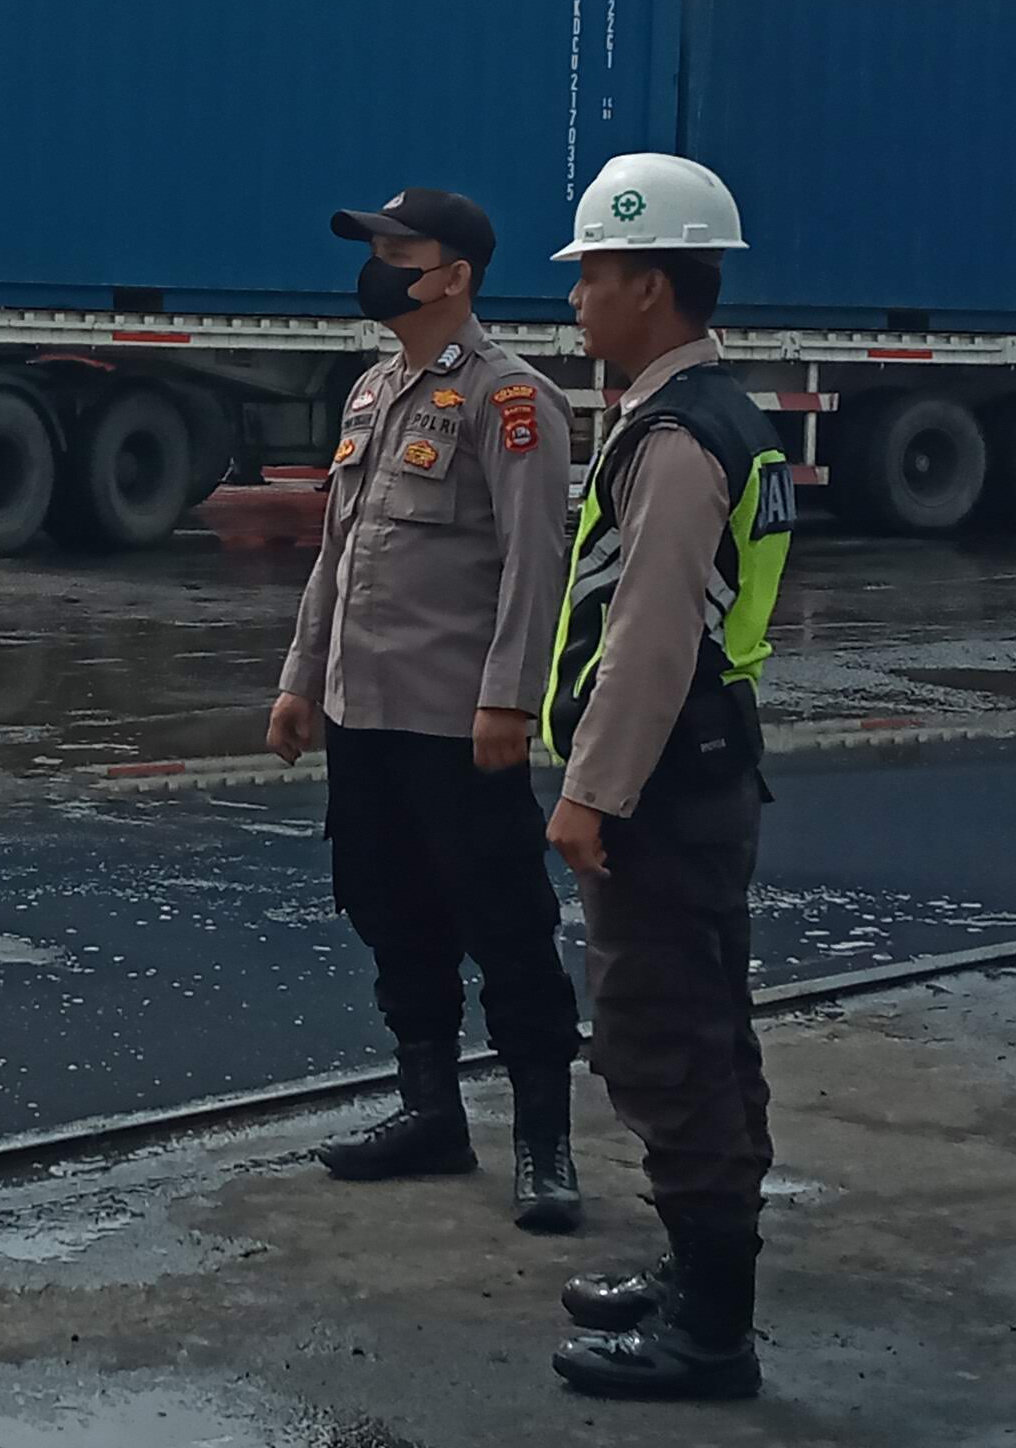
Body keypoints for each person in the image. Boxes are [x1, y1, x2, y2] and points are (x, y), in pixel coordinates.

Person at [269, 186, 585, 1233]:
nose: (378, 268)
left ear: (452, 275)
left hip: (458, 724)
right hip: (363, 716)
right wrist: (300, 679)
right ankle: (431, 1113)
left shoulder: (512, 399)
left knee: (505, 926)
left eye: (398, 253)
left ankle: (543, 1145)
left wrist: (510, 699)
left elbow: (535, 564)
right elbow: (338, 555)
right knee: (389, 911)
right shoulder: (370, 393)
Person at [537, 153, 790, 1402]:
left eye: (590, 271)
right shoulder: (714, 414)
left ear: (648, 284)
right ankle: (698, 1275)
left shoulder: (679, 439)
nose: (574, 296)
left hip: (664, 788)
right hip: (702, 775)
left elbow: (648, 640)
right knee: (704, 1029)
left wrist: (590, 792)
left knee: (663, 1045)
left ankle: (709, 1337)